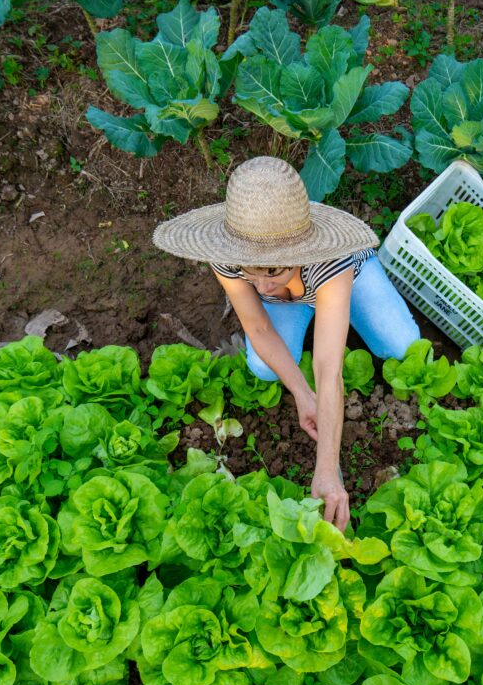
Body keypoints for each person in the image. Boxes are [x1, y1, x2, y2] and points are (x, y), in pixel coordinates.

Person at [152, 156, 421, 532]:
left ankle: (340, 313)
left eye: (273, 270)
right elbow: (258, 327)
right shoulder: (231, 255)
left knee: (403, 347)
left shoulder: (331, 259)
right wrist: (301, 392)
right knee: (262, 367)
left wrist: (327, 468)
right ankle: (318, 318)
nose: (259, 287)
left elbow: (329, 369)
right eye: (251, 272)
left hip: (344, 278)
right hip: (289, 298)